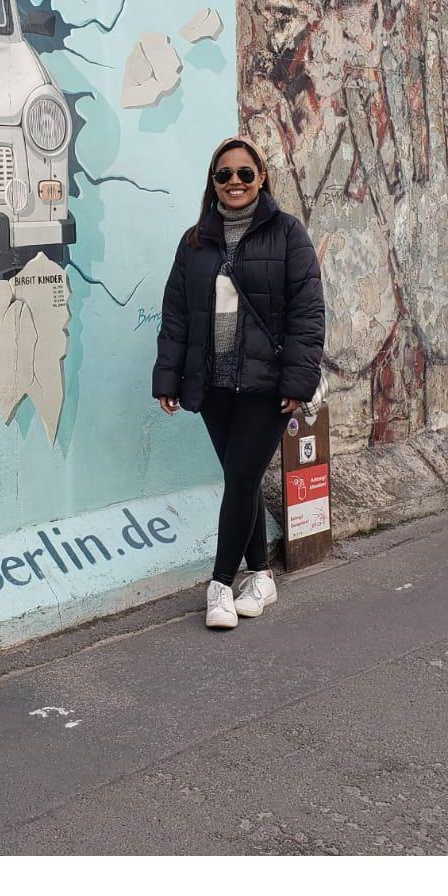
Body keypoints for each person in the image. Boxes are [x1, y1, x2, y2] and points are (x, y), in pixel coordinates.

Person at [152, 135, 325, 629]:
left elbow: (308, 313)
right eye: (224, 174)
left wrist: (298, 378)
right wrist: (169, 377)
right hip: (214, 386)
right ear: (213, 183)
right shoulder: (194, 243)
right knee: (239, 480)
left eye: (244, 174)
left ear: (262, 178)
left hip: (266, 384)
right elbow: (177, 316)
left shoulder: (288, 234)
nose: (234, 182)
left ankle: (220, 585)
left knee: (244, 477)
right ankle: (262, 576)